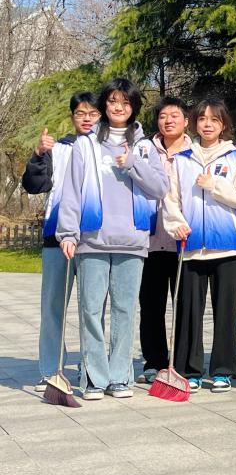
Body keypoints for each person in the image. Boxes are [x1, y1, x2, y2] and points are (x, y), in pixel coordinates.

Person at [56, 78, 169, 400]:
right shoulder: (85, 144)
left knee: (124, 311)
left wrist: (132, 163)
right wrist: (68, 233)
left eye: (126, 102)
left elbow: (160, 188)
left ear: (134, 108)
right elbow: (71, 191)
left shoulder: (145, 146)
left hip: (131, 240)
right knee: (91, 310)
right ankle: (94, 377)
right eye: (113, 101)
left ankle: (120, 377)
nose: (119, 107)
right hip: (92, 238)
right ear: (105, 105)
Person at [162, 99, 236, 393]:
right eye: (202, 119)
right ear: (194, 123)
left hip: (226, 246)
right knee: (189, 311)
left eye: (214, 119)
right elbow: (170, 198)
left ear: (223, 124)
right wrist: (175, 224)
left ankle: (223, 370)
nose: (208, 124)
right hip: (191, 246)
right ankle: (190, 370)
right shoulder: (182, 159)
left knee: (225, 311)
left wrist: (214, 185)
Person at [21, 92, 99, 391]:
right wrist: (39, 155)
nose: (87, 118)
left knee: (92, 309)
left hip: (95, 238)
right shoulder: (60, 149)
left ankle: (91, 370)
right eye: (81, 113)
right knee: (53, 307)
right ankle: (50, 369)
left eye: (93, 113)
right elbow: (34, 185)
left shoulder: (106, 149)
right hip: (57, 236)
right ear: (72, 117)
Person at [137, 97, 191, 384]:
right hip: (150, 239)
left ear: (186, 121)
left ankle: (180, 362)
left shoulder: (195, 152)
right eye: (162, 116)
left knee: (184, 305)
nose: (168, 120)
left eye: (174, 115)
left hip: (185, 241)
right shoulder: (144, 149)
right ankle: (154, 360)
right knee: (151, 305)